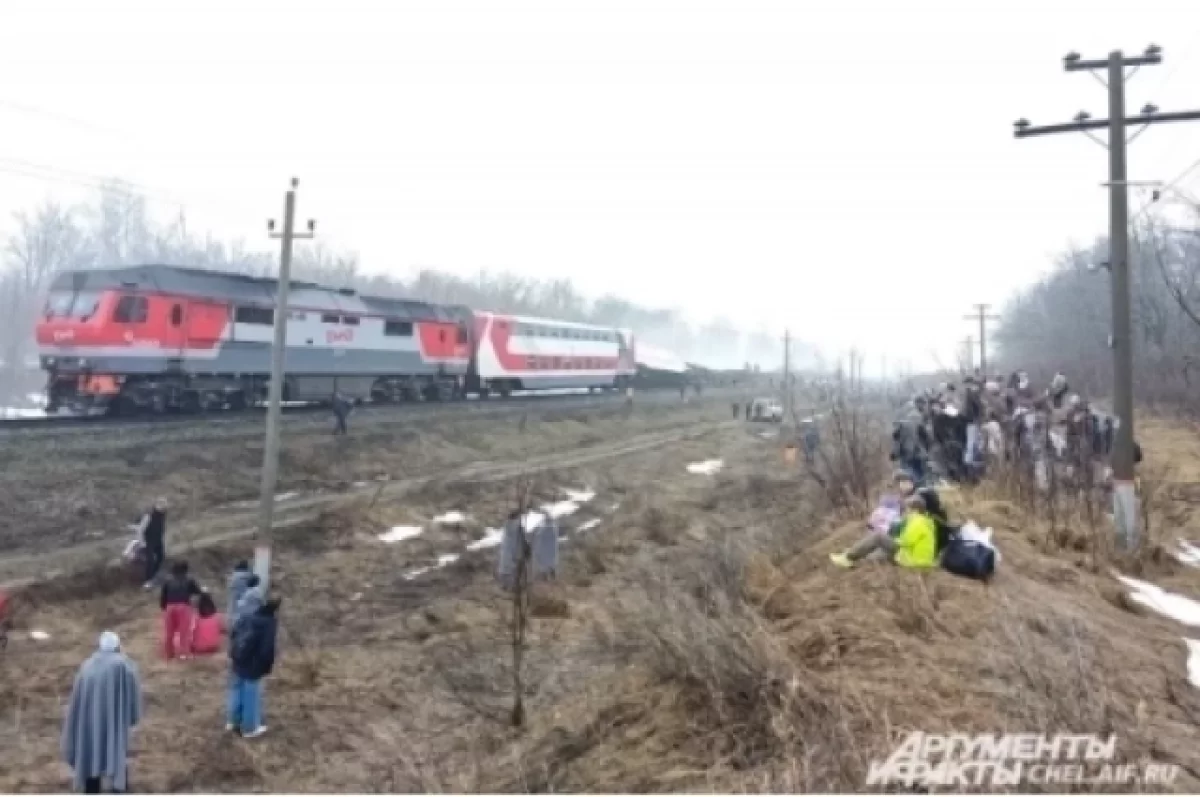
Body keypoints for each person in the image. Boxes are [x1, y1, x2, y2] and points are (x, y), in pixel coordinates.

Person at [61, 632, 142, 794]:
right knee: (116, 749)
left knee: (91, 750)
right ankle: (117, 788)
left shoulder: (87, 665)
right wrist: (132, 716)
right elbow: (133, 691)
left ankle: (91, 788)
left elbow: (77, 697)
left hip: (89, 721)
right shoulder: (123, 665)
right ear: (117, 646)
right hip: (114, 722)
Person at [829, 493, 938, 569]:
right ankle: (851, 553)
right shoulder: (923, 520)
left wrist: (891, 540)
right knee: (876, 553)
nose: (906, 512)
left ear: (915, 510)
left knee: (879, 537)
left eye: (908, 509)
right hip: (914, 557)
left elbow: (906, 541)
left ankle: (848, 557)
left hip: (913, 559)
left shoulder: (918, 521)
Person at [227, 597, 281, 738]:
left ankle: (233, 721)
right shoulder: (269, 623)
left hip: (238, 659)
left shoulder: (247, 615)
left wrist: (234, 653)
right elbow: (267, 649)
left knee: (236, 690)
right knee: (251, 695)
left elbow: (233, 633)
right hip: (253, 665)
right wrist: (266, 667)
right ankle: (249, 728)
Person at [160, 561, 200, 660]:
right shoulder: (189, 580)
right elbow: (197, 592)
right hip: (183, 607)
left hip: (169, 607)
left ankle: (168, 653)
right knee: (184, 632)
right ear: (185, 570)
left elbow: (163, 597)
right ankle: (183, 654)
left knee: (169, 632)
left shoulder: (167, 581)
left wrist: (164, 608)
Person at [135, 498, 168, 590]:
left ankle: (155, 576)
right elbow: (140, 530)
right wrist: (142, 543)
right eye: (162, 505)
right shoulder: (149, 516)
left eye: (164, 505)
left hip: (158, 540)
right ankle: (148, 581)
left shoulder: (162, 516)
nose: (164, 507)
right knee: (150, 560)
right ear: (157, 505)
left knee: (161, 557)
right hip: (148, 541)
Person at [192, 591, 224, 656]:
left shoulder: (195, 617)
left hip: (199, 648)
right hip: (214, 647)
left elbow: (191, 631)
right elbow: (221, 630)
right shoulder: (217, 616)